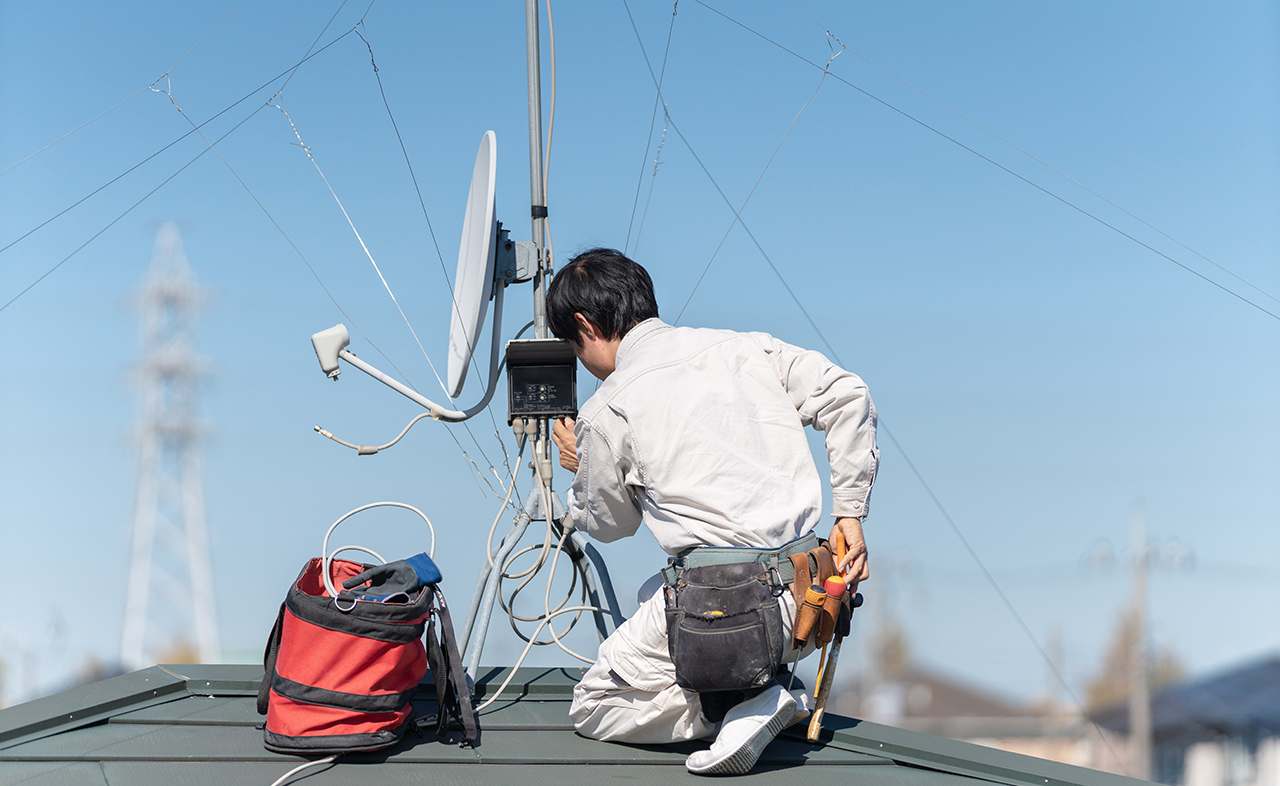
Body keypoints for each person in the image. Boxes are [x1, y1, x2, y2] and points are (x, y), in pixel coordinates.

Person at [547, 248, 878, 776]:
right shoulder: (747, 347)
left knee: (593, 703)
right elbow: (848, 393)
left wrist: (579, 467)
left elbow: (611, 525)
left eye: (572, 343)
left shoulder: (607, 407)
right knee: (650, 594)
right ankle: (757, 690)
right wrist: (850, 513)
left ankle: (735, 706)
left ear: (585, 325)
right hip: (807, 595)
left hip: (723, 613)